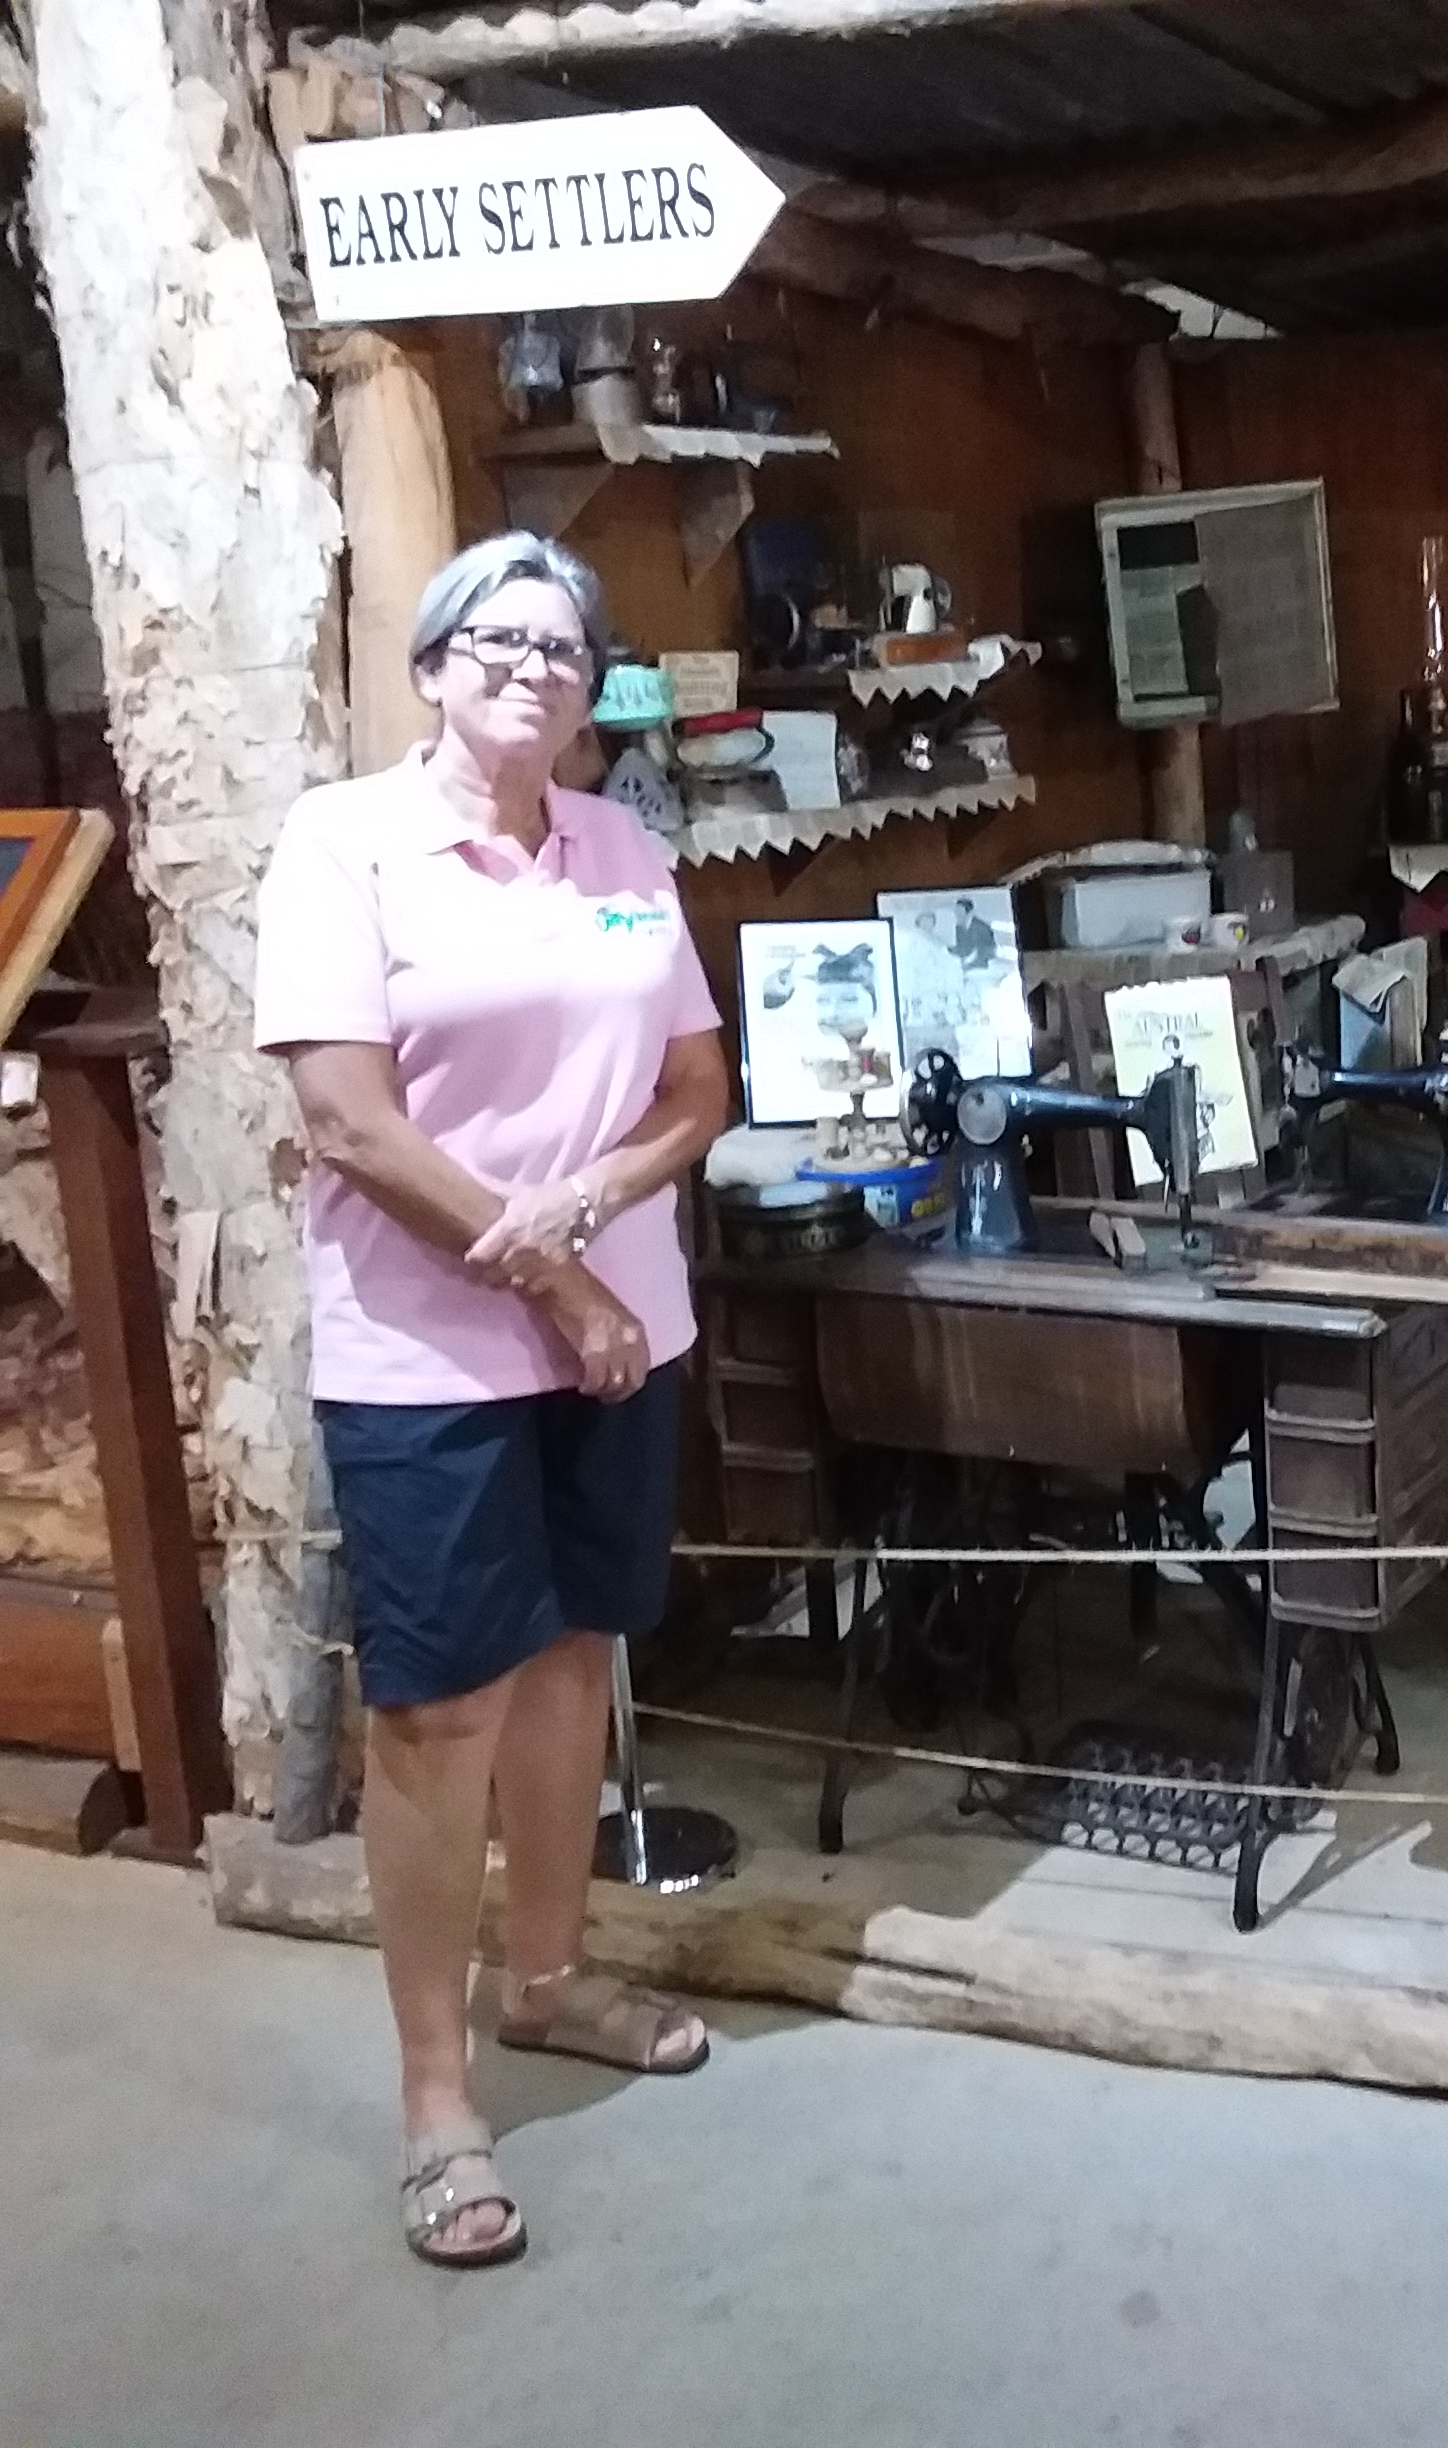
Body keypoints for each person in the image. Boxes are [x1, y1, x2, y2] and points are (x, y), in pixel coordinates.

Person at [253, 532, 732, 2268]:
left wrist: (594, 1204)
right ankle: (438, 2094)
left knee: (571, 1661)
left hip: (618, 1338)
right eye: (500, 640)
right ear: (433, 667)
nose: (535, 667)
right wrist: (556, 1276)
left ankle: (547, 1977)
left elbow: (697, 1086)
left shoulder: (621, 848)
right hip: (429, 1357)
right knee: (440, 1709)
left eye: (565, 647)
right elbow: (348, 1122)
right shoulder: (344, 843)